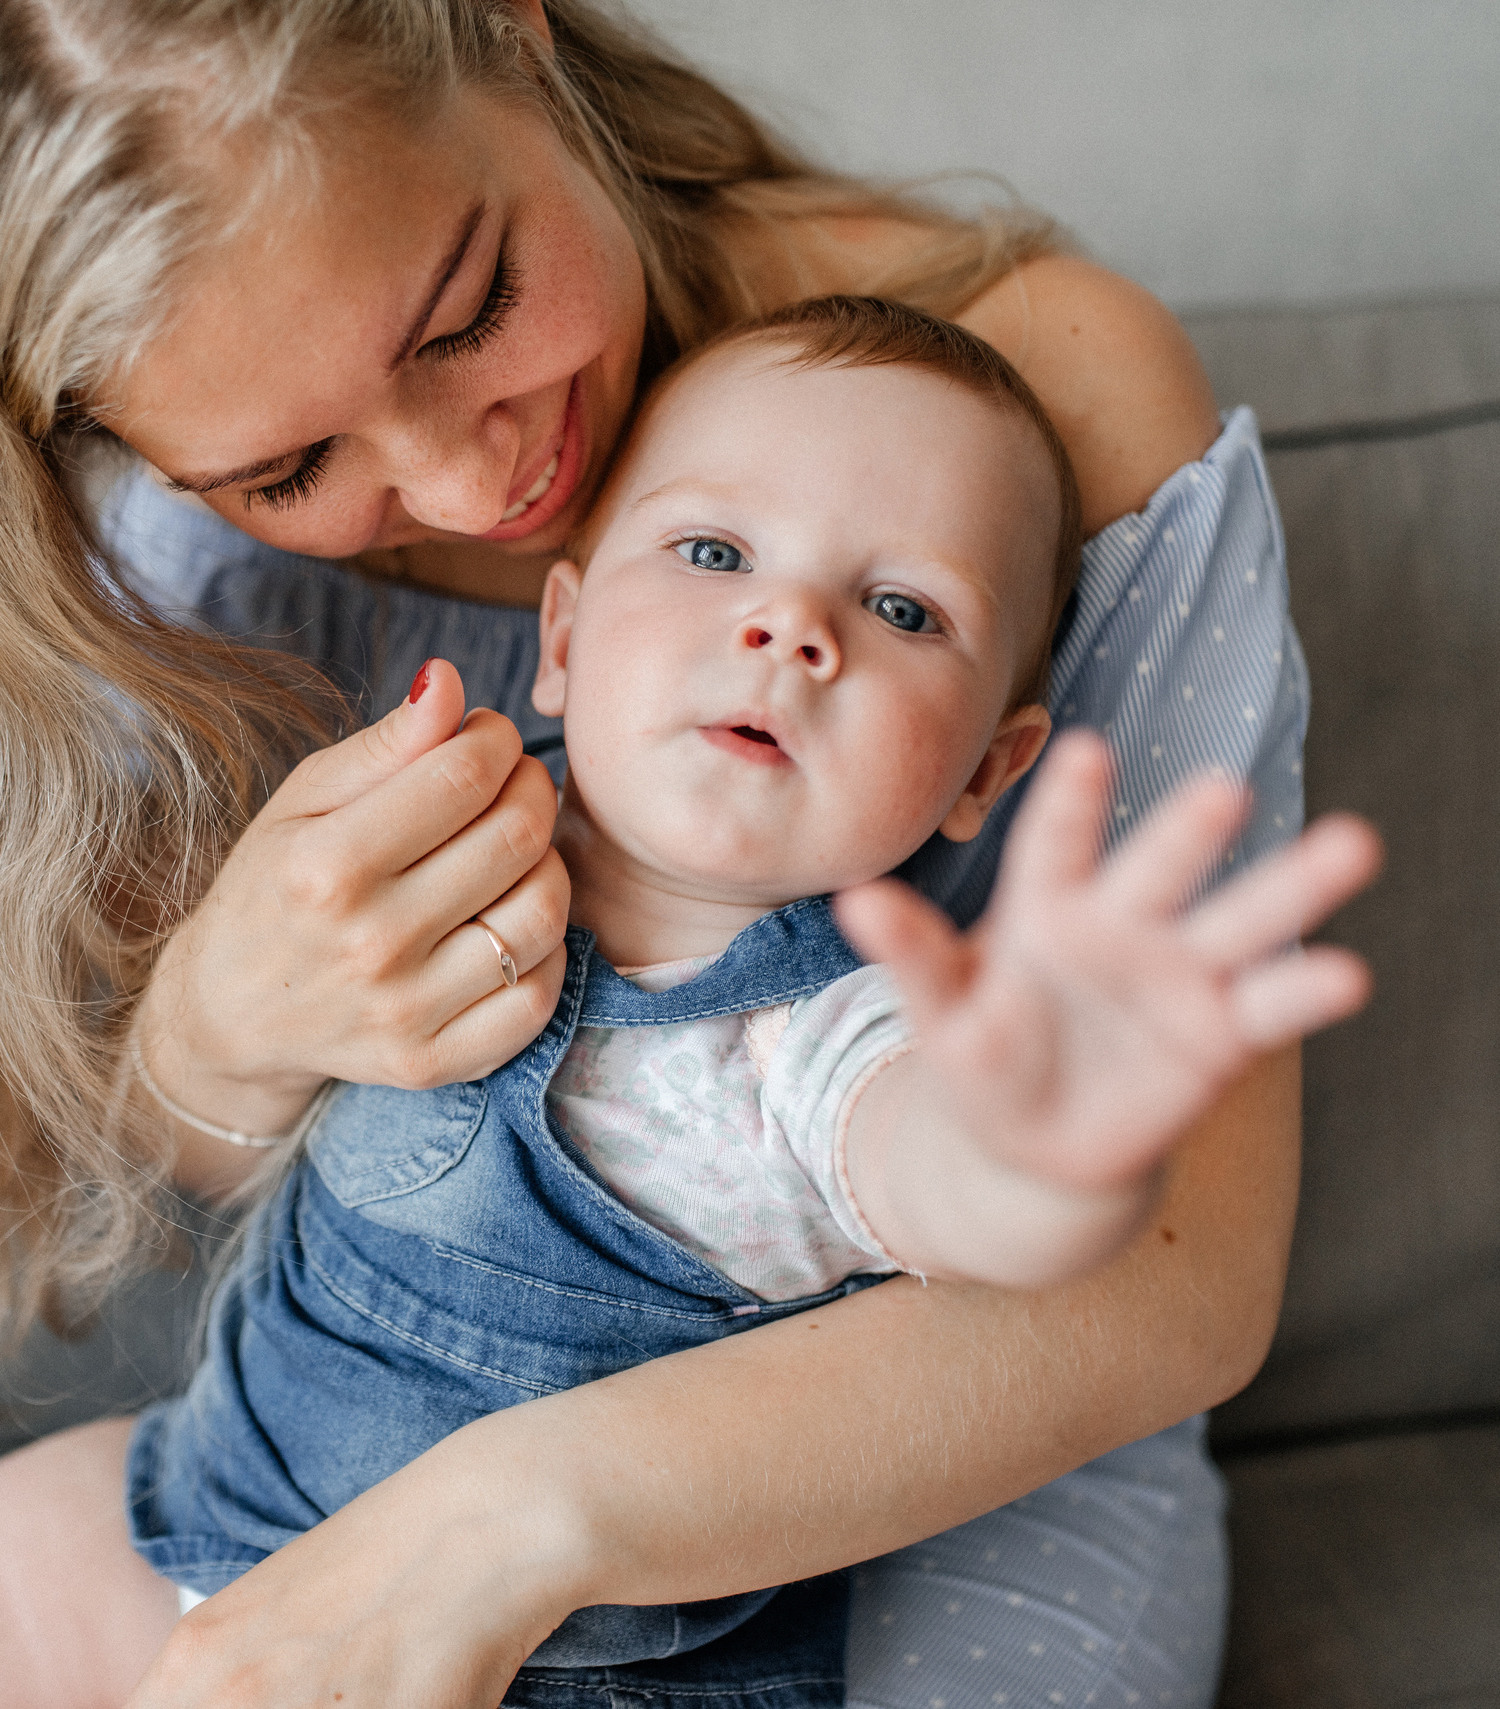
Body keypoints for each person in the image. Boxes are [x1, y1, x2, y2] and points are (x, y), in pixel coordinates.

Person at [0, 2, 1325, 1705]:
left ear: (509, 30)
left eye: (471, 304)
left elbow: (1172, 1284)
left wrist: (507, 1521)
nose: (473, 470)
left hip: (944, 1445)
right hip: (335, 1440)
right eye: (287, 466)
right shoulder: (146, 546)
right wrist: (215, 1030)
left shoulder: (1036, 398)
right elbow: (169, 1162)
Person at [119, 295, 1378, 1709]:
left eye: (902, 608)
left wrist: (1041, 1129)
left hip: (551, 1670)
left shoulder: (825, 1038)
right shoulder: (425, 845)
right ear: (567, 638)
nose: (790, 624)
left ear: (986, 769)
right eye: (714, 552)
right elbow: (174, 1137)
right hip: (228, 1497)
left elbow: (949, 1188)